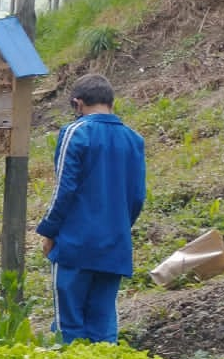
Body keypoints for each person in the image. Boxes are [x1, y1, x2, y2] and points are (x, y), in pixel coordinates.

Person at [36, 73, 146, 344]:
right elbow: (137, 197)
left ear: (78, 104)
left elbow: (65, 189)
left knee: (68, 326)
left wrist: (49, 231)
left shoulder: (76, 132)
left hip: (76, 242)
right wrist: (118, 228)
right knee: (103, 326)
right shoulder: (134, 139)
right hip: (115, 245)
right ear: (111, 102)